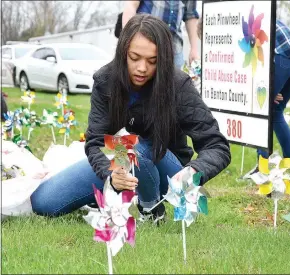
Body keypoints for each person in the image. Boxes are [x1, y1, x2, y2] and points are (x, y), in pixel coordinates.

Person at [30, 14, 231, 223]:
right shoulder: (105, 81)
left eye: (152, 61)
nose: (142, 68)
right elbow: (96, 141)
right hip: (119, 160)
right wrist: (111, 175)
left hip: (168, 172)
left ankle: (151, 209)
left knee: (134, 146)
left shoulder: (178, 86)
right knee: (44, 202)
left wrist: (194, 171)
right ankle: (118, 194)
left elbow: (217, 146)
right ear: (123, 52)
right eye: (134, 58)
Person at [245, 20, 290, 175]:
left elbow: (251, 57)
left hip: (284, 56)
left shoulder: (238, 20)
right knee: (276, 111)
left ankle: (262, 170)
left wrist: (266, 88)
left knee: (260, 110)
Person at [122, 0, 200, 69]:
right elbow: (131, 5)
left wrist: (194, 49)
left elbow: (190, 15)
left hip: (174, 47)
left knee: (176, 82)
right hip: (145, 43)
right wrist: (127, 39)